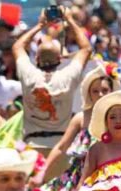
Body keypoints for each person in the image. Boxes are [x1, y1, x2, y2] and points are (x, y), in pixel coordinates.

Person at [29, 62, 121, 191]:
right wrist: (42, 172)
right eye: (95, 91)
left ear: (111, 92)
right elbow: (61, 147)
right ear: (89, 94)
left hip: (104, 183)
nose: (100, 95)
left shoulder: (120, 121)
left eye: (104, 90)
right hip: (73, 181)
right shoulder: (81, 118)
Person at [13, 6, 92, 150]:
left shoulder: (28, 74)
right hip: (60, 148)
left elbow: (18, 46)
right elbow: (86, 49)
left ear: (36, 58)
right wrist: (70, 20)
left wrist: (40, 25)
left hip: (31, 146)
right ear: (60, 59)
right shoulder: (67, 76)